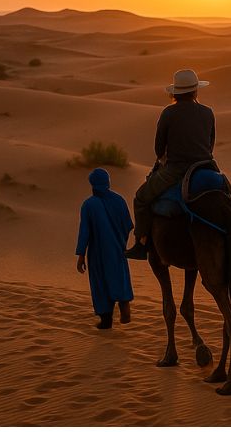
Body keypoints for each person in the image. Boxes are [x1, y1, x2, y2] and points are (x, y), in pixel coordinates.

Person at [124, 69, 215, 260]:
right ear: (195, 91)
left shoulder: (168, 113)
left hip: (176, 169)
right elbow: (210, 144)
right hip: (207, 166)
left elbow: (159, 149)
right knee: (229, 194)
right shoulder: (208, 112)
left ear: (175, 92)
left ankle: (141, 244)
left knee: (141, 198)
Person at [76, 168, 135, 329]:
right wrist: (120, 242)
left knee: (100, 284)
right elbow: (128, 225)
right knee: (119, 277)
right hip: (118, 249)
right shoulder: (119, 200)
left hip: (98, 253)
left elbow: (85, 232)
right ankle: (124, 306)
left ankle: (106, 320)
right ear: (108, 182)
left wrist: (81, 255)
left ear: (92, 184)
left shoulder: (89, 205)